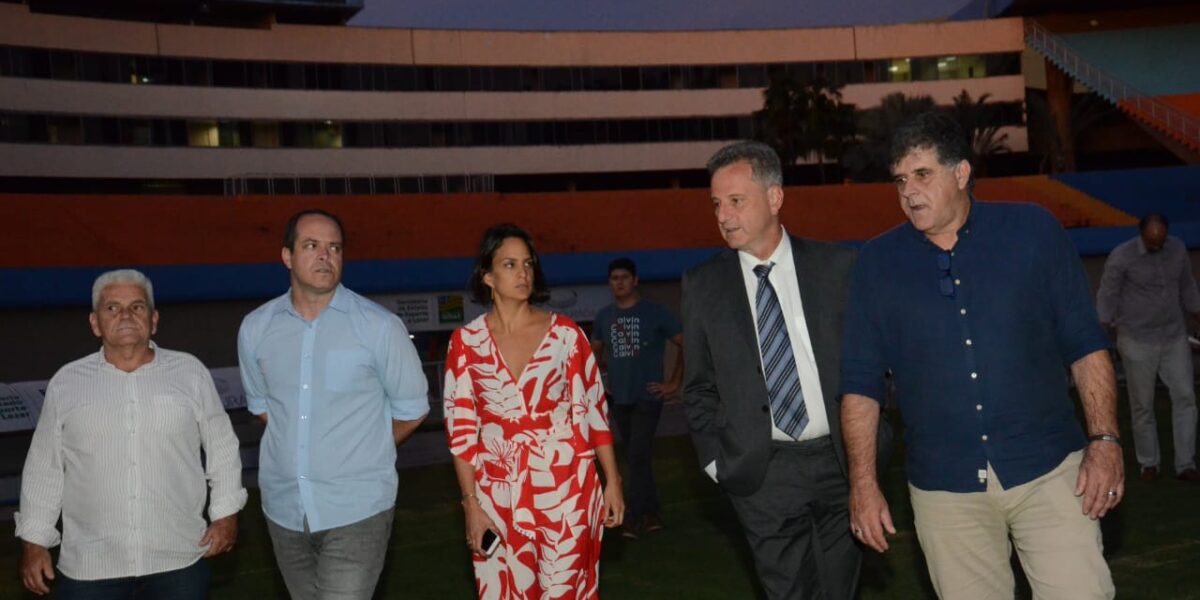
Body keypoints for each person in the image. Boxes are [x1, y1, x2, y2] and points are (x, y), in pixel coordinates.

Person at [840, 112, 1122, 599]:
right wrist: (863, 485)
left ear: (961, 173)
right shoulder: (876, 264)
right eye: (900, 180)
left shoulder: (1033, 231)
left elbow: (1084, 343)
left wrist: (1105, 439)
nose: (909, 191)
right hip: (944, 490)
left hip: (1050, 471)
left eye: (922, 174)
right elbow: (861, 386)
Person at [681, 141, 861, 600]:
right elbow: (698, 386)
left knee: (842, 589)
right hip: (762, 472)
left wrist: (870, 450)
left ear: (775, 198)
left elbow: (870, 366)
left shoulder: (836, 267)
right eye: (717, 204)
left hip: (843, 462)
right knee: (788, 593)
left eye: (736, 201)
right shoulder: (703, 285)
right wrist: (716, 462)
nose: (723, 215)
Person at [16, 269, 246, 599]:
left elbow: (222, 447)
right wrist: (34, 542)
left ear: (153, 320)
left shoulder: (190, 373)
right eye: (112, 308)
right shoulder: (66, 383)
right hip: (89, 569)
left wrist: (225, 514)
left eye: (137, 307)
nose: (125, 315)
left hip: (178, 560)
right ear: (94, 323)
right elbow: (44, 468)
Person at [238, 209, 429, 600]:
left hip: (357, 510)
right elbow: (263, 407)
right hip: (283, 509)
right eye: (311, 245)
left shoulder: (379, 327)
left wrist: (360, 454)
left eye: (334, 248)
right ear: (287, 256)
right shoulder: (256, 328)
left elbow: (412, 410)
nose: (325, 255)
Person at [443, 223, 624, 599]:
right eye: (509, 265)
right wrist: (470, 505)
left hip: (567, 486)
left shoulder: (566, 335)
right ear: (487, 276)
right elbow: (461, 434)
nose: (523, 273)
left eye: (527, 264)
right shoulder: (466, 344)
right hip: (496, 493)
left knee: (565, 592)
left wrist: (613, 480)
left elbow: (593, 411)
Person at [1097, 213, 1200, 483]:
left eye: (1160, 239)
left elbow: (1188, 286)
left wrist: (1197, 312)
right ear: (1142, 233)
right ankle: (1148, 463)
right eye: (1152, 240)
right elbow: (1107, 295)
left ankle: (1186, 464)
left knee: (1186, 398)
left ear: (1166, 234)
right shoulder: (1122, 257)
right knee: (1142, 405)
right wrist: (1102, 334)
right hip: (1136, 340)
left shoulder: (1177, 249)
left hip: (1173, 336)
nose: (1156, 244)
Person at [591, 257, 683, 538]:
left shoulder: (654, 312)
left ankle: (633, 516)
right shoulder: (604, 317)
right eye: (614, 278)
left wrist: (673, 383)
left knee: (637, 454)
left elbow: (686, 342)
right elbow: (592, 356)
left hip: (647, 397)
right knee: (638, 459)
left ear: (635, 281)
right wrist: (598, 387)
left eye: (624, 277)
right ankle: (651, 512)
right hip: (620, 399)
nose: (619, 282)